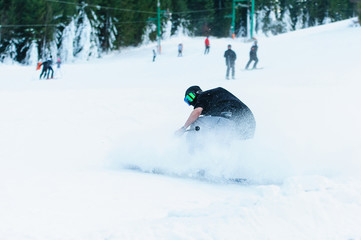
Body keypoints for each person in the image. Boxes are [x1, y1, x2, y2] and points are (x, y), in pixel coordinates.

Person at [176, 86, 256, 140]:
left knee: (196, 123)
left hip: (231, 118)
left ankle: (189, 154)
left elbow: (196, 112)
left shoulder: (203, 96)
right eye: (187, 100)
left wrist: (183, 129)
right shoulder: (216, 99)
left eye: (190, 97)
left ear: (197, 93)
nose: (190, 102)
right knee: (214, 132)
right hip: (247, 125)